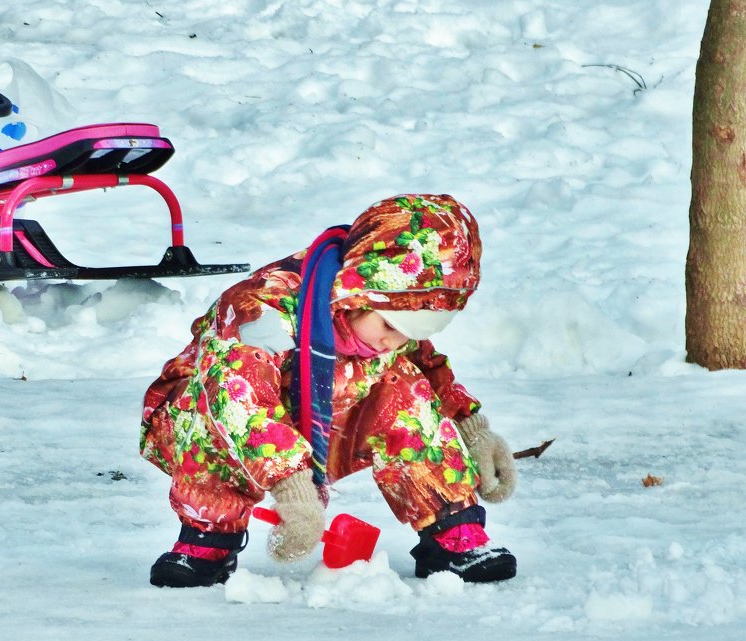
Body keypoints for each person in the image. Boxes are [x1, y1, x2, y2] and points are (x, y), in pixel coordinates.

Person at [139, 194, 517, 588]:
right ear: (360, 294)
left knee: (404, 386)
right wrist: (293, 487)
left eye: (415, 330)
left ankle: (451, 529)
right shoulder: (262, 310)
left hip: (325, 413)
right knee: (215, 407)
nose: (396, 340)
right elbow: (242, 405)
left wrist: (473, 428)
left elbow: (426, 364)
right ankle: (208, 537)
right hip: (226, 415)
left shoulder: (388, 322)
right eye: (391, 326)